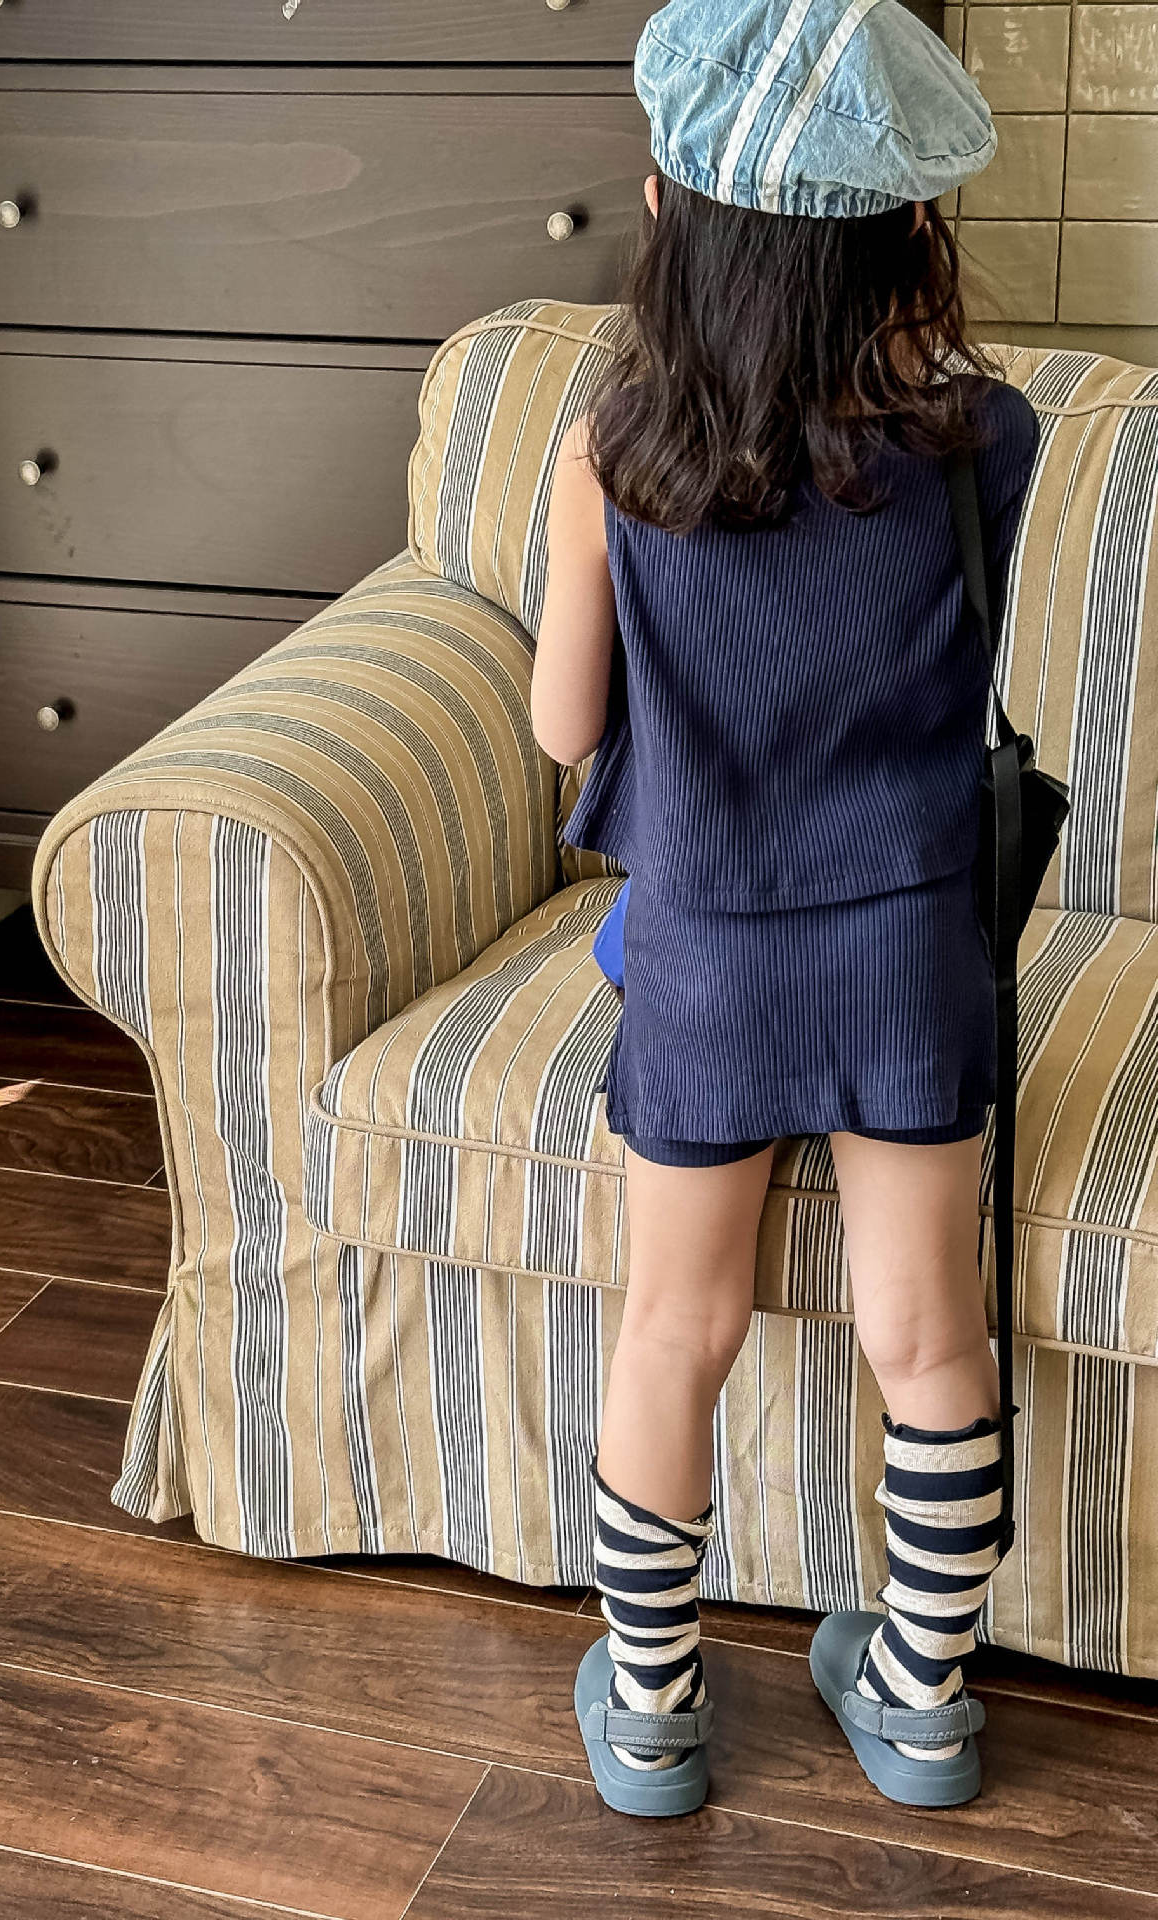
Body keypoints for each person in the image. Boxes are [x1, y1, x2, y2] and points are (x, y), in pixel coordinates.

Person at [532, 0, 1039, 1819]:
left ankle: (653, 1707)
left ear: (674, 219)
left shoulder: (616, 453)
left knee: (677, 1328)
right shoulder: (989, 438)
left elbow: (563, 729)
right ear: (906, 229)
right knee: (932, 1333)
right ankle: (919, 1698)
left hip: (708, 953)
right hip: (909, 947)